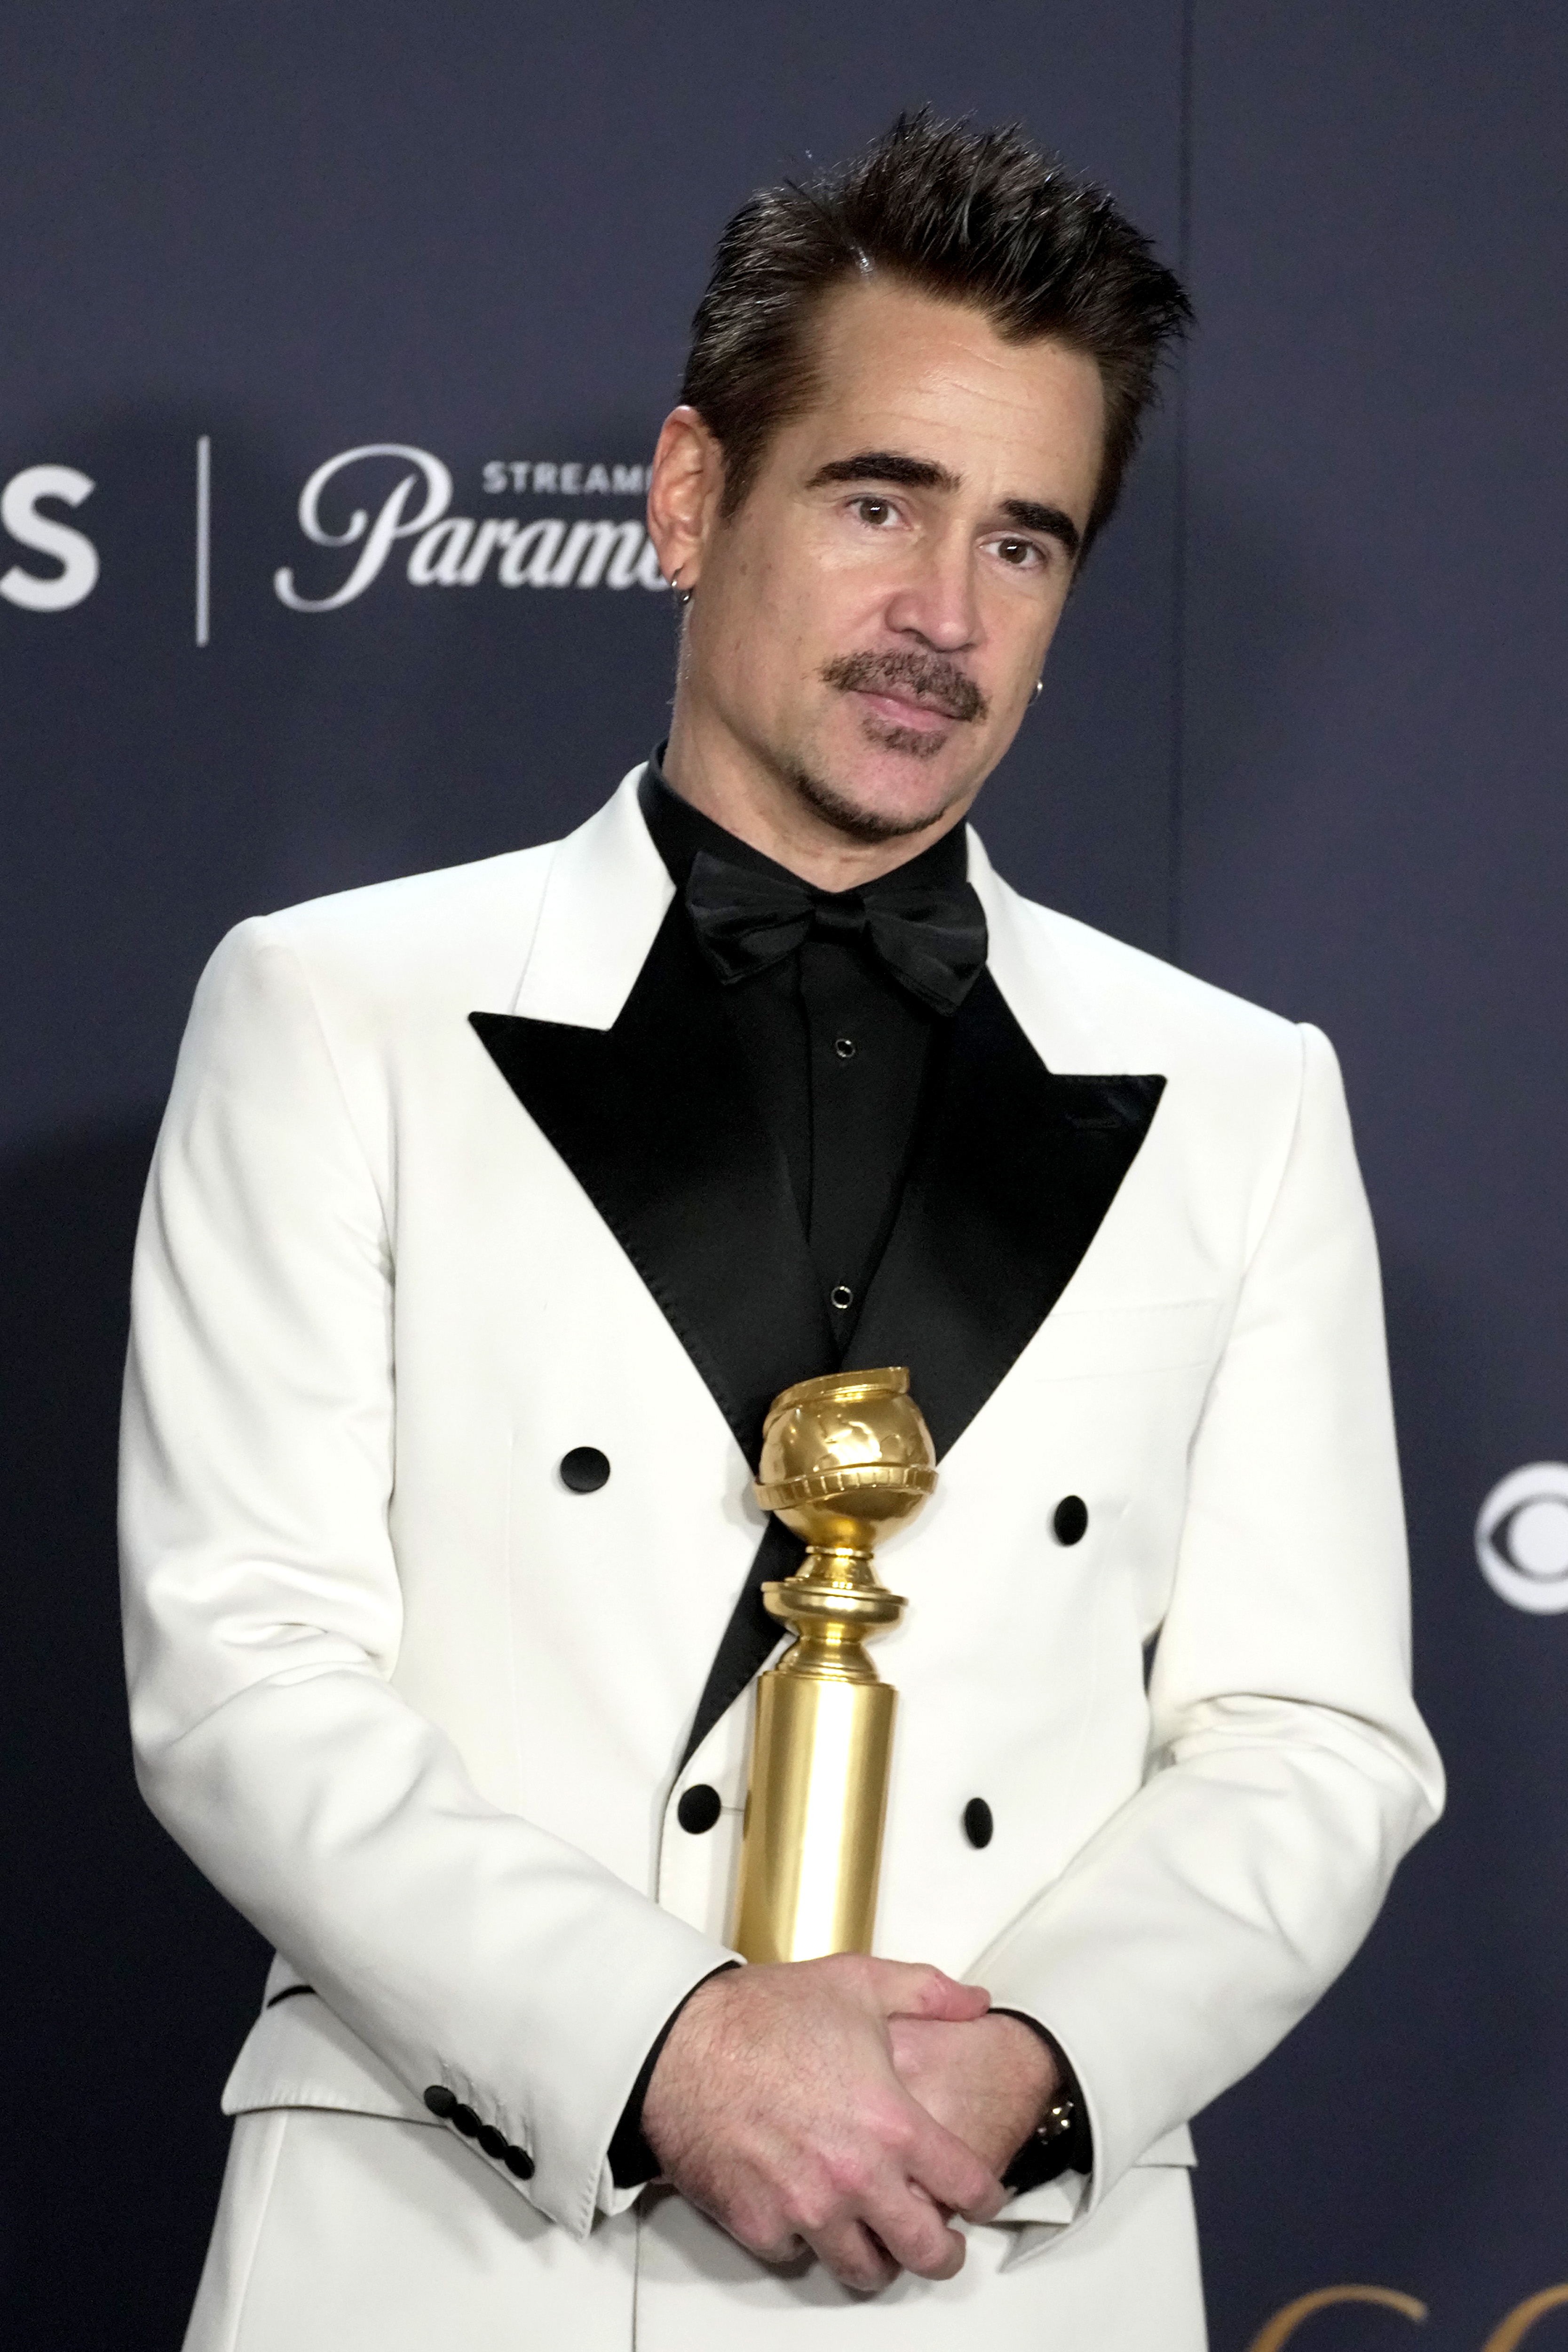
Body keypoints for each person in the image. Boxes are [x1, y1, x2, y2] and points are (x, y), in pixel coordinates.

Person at [120, 110, 1443, 2352]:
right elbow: (245, 1671)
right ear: (686, 494)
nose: (944, 614)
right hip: (454, 2249)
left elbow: (1315, 1734)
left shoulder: (1244, 1093)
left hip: (996, 2252)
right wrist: (673, 2045)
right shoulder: (336, 1008)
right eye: (876, 502)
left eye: (1026, 543)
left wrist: (1028, 2080)